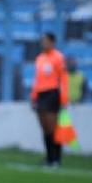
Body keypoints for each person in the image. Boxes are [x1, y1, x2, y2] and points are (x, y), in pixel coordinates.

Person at [30, 32, 68, 167]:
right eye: (42, 41)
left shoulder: (58, 58)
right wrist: (33, 96)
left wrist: (64, 98)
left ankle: (56, 158)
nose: (43, 43)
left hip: (52, 93)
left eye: (46, 41)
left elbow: (63, 79)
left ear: (52, 42)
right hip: (41, 94)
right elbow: (37, 79)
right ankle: (48, 157)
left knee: (53, 127)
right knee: (45, 127)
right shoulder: (40, 58)